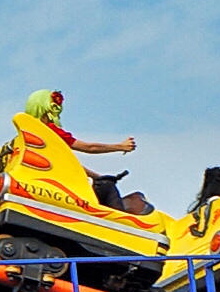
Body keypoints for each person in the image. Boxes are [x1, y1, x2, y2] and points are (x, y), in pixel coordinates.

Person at [21, 89, 152, 216]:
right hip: (61, 186)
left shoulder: (27, 137)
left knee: (104, 183)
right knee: (107, 187)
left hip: (47, 183)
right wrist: (120, 146)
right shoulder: (50, 131)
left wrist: (98, 177)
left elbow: (67, 164)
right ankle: (122, 224)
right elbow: (89, 148)